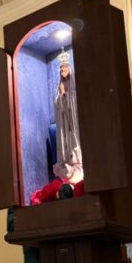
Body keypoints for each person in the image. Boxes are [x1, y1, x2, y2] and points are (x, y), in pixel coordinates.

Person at [53, 50, 83, 181]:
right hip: (64, 123)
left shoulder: (75, 85)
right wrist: (62, 94)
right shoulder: (60, 86)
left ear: (69, 68)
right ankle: (66, 163)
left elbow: (75, 102)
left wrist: (66, 94)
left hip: (74, 121)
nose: (62, 71)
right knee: (65, 139)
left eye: (64, 68)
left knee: (75, 139)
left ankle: (77, 162)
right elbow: (57, 104)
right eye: (60, 70)